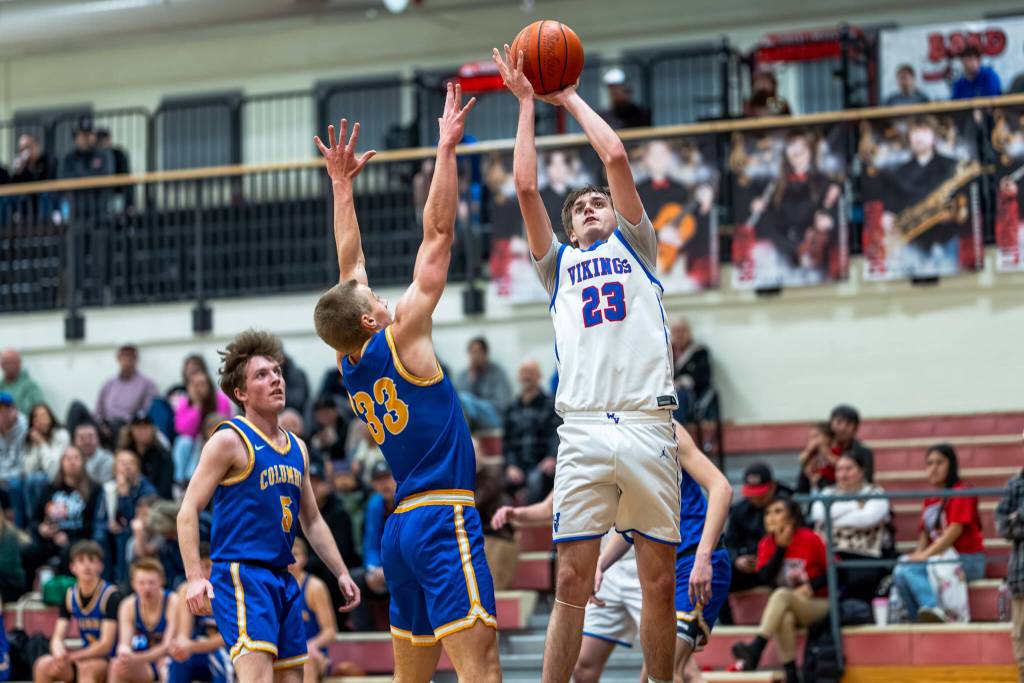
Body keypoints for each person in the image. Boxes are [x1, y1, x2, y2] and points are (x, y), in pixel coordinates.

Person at [495, 44, 681, 683]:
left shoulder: (638, 247)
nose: (591, 208)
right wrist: (526, 107)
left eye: (598, 202)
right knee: (572, 578)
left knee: (658, 583)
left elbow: (617, 156)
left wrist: (566, 95)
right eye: (580, 208)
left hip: (648, 423)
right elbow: (525, 185)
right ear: (571, 229)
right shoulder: (558, 268)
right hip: (580, 428)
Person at [312, 89, 500, 680]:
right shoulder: (405, 336)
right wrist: (446, 149)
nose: (379, 291)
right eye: (374, 298)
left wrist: (343, 189)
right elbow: (439, 235)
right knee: (482, 670)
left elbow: (350, 264)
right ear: (370, 318)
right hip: (443, 516)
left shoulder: (350, 359)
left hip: (399, 530)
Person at [177, 330, 361, 681]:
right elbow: (188, 510)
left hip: (282, 576)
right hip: (242, 574)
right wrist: (194, 578)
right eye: (262, 374)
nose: (275, 379)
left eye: (276, 372)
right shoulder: (229, 440)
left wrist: (340, 571)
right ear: (241, 393)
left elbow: (313, 521)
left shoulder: (298, 447)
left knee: (293, 679)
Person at [492, 421, 733, 683]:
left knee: (669, 671)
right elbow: (566, 508)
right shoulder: (588, 429)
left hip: (682, 562)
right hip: (631, 561)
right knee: (585, 666)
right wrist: (600, 564)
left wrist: (703, 556)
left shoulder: (660, 423)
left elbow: (721, 486)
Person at [731, 498, 829, 683]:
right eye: (768, 513)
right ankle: (791, 676)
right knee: (785, 617)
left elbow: (834, 570)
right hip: (789, 606)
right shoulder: (767, 544)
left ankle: (757, 647)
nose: (770, 517)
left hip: (819, 604)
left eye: (777, 511)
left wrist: (812, 585)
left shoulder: (810, 538)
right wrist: (781, 548)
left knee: (781, 594)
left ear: (792, 518)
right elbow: (765, 578)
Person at [892, 443, 986, 622]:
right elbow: (924, 536)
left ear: (951, 465)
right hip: (937, 558)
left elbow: (954, 530)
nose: (933, 469)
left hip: (967, 559)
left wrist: (924, 556)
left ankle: (932, 607)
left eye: (939, 463)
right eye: (929, 463)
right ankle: (920, 620)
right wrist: (919, 554)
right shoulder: (930, 499)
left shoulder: (962, 491)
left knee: (911, 569)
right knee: (900, 571)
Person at [808, 450, 891, 602]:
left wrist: (831, 517)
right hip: (829, 553)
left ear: (861, 472)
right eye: (839, 469)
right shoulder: (827, 492)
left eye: (849, 469)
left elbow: (867, 519)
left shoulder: (875, 492)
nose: (843, 474)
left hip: (864, 555)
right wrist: (855, 505)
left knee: (858, 579)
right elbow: (818, 514)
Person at [32, 540, 121, 683]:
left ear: (101, 566)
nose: (86, 566)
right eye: (81, 561)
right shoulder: (69, 595)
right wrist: (59, 653)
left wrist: (73, 657)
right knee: (43, 665)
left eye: (92, 560)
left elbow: (105, 645)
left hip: (110, 660)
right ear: (73, 567)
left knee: (87, 669)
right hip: (83, 657)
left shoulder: (111, 596)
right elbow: (57, 637)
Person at [23, 446, 102, 582]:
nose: (72, 462)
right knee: (29, 551)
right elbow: (35, 519)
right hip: (49, 539)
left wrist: (68, 536)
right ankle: (29, 595)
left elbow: (92, 523)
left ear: (83, 462)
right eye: (68, 458)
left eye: (76, 458)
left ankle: (68, 596)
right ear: (62, 463)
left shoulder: (93, 488)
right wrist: (41, 529)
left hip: (77, 539)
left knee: (68, 553)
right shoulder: (49, 488)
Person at [167, 543, 233, 683]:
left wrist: (192, 647)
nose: (203, 572)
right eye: (199, 567)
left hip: (225, 649)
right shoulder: (186, 590)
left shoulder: (230, 591)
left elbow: (228, 637)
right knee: (178, 659)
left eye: (207, 566)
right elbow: (183, 636)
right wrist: (182, 647)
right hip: (198, 647)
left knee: (220, 659)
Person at [724, 464, 793, 596]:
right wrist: (737, 560)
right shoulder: (740, 510)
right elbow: (729, 543)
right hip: (747, 567)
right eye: (752, 493)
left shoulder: (787, 505)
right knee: (720, 575)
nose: (756, 498)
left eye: (760, 494)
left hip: (778, 564)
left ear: (772, 487)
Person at [110, 558, 179, 683]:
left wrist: (136, 658)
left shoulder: (173, 601)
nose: (147, 588)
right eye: (141, 583)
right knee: (117, 666)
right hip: (143, 661)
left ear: (162, 581)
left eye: (151, 583)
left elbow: (167, 646)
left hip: (166, 658)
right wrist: (124, 654)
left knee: (167, 667)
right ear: (133, 584)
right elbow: (124, 644)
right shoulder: (128, 605)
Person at [502, 359, 560, 504]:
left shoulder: (551, 405)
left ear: (539, 376)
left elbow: (556, 435)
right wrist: (511, 466)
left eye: (530, 372)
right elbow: (507, 443)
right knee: (499, 485)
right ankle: (506, 524)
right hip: (519, 466)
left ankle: (529, 522)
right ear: (518, 377)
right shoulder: (511, 408)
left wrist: (552, 457)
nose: (526, 376)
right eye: (523, 372)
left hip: (542, 465)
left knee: (537, 481)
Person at [100, 449, 157, 583]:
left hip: (140, 531)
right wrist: (107, 526)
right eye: (122, 463)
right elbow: (99, 519)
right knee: (99, 538)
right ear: (115, 469)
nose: (126, 466)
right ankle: (104, 583)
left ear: (138, 468)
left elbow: (140, 518)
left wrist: (125, 496)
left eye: (131, 463)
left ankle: (122, 582)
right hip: (112, 532)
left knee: (124, 535)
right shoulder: (108, 488)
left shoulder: (146, 489)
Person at [289, 538, 337, 683]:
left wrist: (311, 646)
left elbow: (330, 631)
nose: (290, 560)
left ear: (304, 558)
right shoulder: (272, 587)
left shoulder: (315, 587)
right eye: (286, 555)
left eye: (295, 555)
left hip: (314, 655)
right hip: (285, 652)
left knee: (305, 659)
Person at [89, 345, 158, 443]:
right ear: (118, 358)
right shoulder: (108, 384)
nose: (127, 359)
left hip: (127, 426)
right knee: (77, 408)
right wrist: (102, 426)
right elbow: (97, 412)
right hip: (104, 426)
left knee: (118, 424)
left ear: (136, 359)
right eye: (124, 355)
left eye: (131, 356)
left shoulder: (147, 384)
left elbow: (146, 412)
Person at [995, 449, 1024, 682]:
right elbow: (1003, 526)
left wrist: (1020, 517)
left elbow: (1013, 524)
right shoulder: (1015, 485)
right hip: (1021, 574)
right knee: (1021, 635)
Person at [361, 461, 396, 601]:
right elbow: (371, 543)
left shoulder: (407, 500)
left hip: (407, 564)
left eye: (387, 478)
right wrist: (372, 568)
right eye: (379, 480)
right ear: (373, 485)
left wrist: (389, 570)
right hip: (383, 566)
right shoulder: (374, 504)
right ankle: (363, 624)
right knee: (357, 579)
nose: (384, 484)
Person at [118, 414, 173, 500]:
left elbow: (164, 490)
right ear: (131, 430)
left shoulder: (162, 455)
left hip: (156, 503)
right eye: (138, 427)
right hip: (127, 497)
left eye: (146, 427)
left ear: (153, 429)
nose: (142, 431)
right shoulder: (125, 453)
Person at [669, 319, 714, 424]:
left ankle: (678, 430)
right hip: (669, 391)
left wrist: (683, 382)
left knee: (679, 396)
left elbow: (704, 377)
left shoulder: (700, 352)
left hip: (691, 395)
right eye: (676, 331)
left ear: (689, 332)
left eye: (682, 331)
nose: (679, 335)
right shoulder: (666, 352)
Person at [455, 337, 513, 414]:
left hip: (494, 414)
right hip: (470, 415)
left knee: (465, 399)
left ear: (486, 353)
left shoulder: (497, 373)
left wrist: (478, 405)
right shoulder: (463, 375)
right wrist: (471, 381)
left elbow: (503, 403)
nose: (475, 356)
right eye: (472, 352)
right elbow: (458, 401)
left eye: (478, 352)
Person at [173, 367, 232, 440]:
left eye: (202, 384)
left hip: (215, 437)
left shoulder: (221, 400)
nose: (198, 389)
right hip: (195, 443)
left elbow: (223, 426)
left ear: (209, 385)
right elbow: (184, 431)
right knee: (183, 441)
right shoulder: (184, 403)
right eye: (195, 385)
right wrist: (197, 405)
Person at [0, 393, 28, 526]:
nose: (2, 415)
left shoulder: (26, 429)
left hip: (18, 478)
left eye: (5, 410)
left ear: (14, 410)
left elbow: (25, 464)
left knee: (15, 485)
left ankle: (19, 529)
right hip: (2, 478)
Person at [0, 349, 45, 414]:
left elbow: (40, 409)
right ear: (1, 365)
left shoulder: (31, 386)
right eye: (6, 363)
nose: (10, 366)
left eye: (13, 362)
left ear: (20, 364)